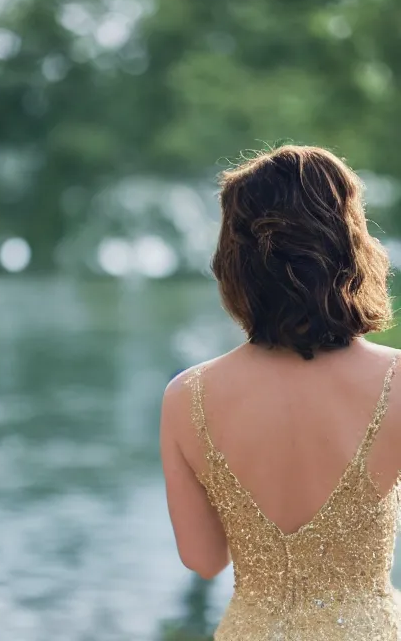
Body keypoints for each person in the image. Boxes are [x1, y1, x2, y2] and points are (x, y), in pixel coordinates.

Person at [160, 145, 401, 640]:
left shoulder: (187, 396)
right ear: (349, 244)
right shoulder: (395, 379)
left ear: (234, 260)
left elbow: (203, 560)